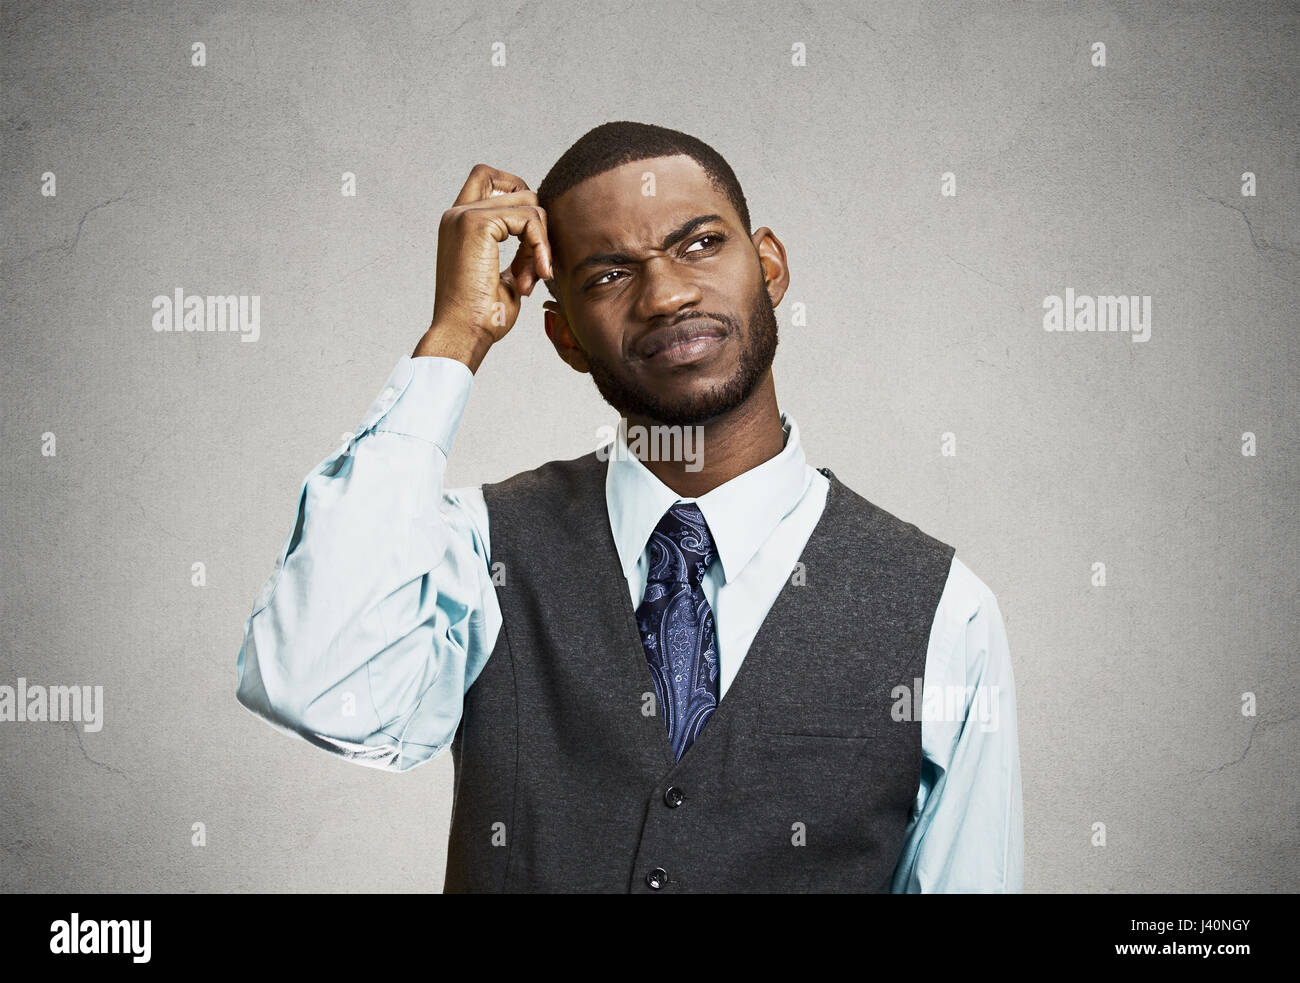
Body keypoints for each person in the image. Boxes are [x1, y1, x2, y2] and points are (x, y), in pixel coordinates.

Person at [235, 120, 1023, 893]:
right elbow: (313, 684)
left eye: (701, 243)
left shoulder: (944, 611)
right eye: (609, 274)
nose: (668, 294)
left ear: (771, 267)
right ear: (565, 337)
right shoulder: (480, 548)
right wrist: (456, 335)